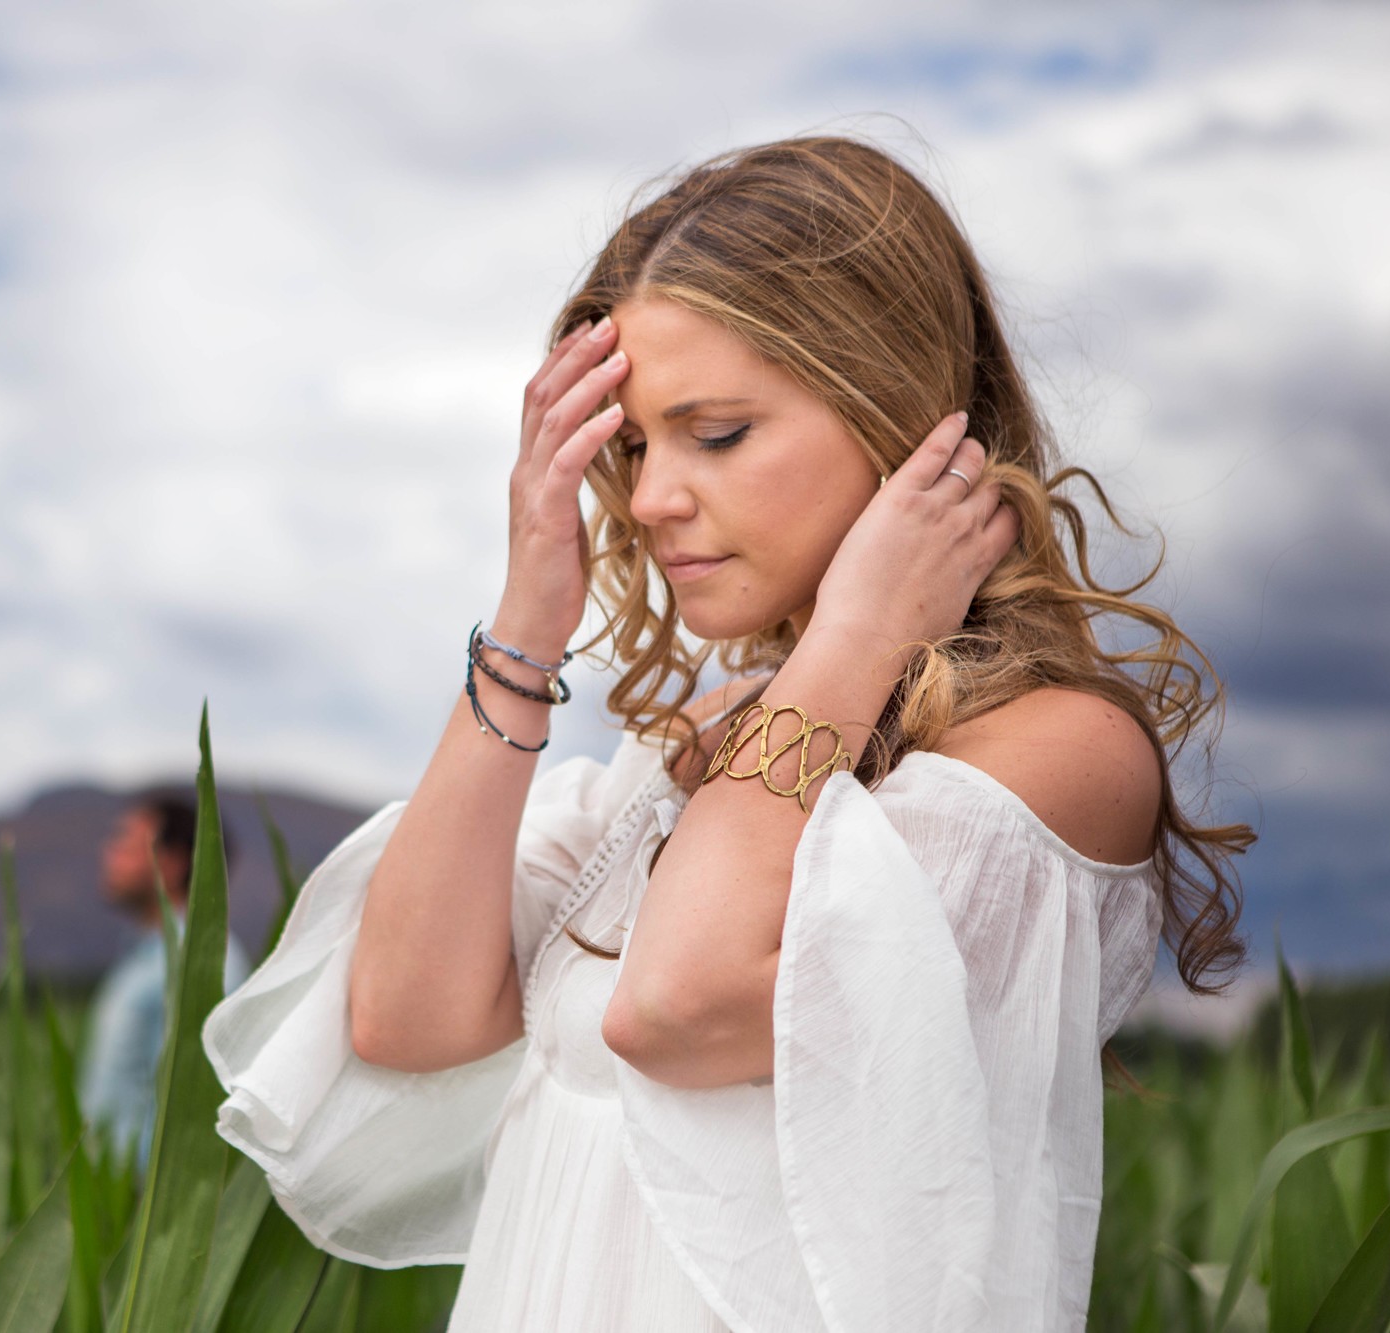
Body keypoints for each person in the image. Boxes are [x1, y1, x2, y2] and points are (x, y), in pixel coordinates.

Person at [203, 135, 1253, 1331]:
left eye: (714, 433)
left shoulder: (1053, 753)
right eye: (635, 444)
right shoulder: (690, 746)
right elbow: (409, 1016)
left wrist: (852, 638)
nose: (649, 498)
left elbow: (676, 1008)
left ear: (898, 414)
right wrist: (528, 615)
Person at [80, 787, 253, 1167]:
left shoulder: (203, 967)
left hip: (145, 1208)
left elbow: (192, 1115)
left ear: (171, 863)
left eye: (124, 841)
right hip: (111, 1203)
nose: (108, 853)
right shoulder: (145, 960)